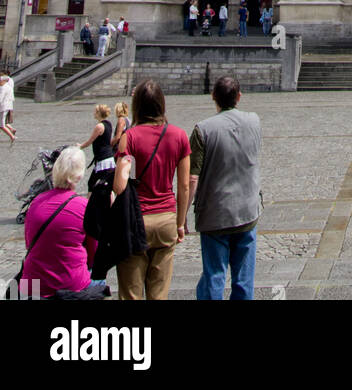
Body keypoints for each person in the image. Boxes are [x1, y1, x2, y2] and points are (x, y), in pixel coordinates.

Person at [113, 79, 190, 301]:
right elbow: (184, 186)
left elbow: (120, 186)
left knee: (131, 294)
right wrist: (180, 223)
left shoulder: (131, 137)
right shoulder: (179, 135)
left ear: (137, 106)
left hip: (136, 221)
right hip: (166, 219)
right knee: (159, 294)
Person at [187, 75, 261, 302]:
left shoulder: (202, 130)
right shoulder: (254, 120)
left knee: (214, 275)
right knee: (244, 280)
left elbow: (191, 178)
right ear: (239, 97)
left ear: (213, 97)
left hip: (215, 215)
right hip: (248, 211)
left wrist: (182, 216)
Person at [21, 146, 107, 301]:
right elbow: (93, 253)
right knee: (100, 280)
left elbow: (29, 243)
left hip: (34, 284)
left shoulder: (35, 202)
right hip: (71, 284)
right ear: (80, 176)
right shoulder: (84, 206)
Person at [79, 104, 115, 190]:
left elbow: (89, 141)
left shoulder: (99, 126)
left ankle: (89, 203)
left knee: (91, 184)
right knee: (106, 185)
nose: (94, 113)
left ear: (99, 113)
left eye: (95, 111)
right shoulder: (108, 124)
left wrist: (80, 146)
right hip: (108, 158)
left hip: (103, 160)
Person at [0, 71, 15, 142]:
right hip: (7, 106)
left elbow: (0, 98)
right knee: (3, 123)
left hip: (3, 107)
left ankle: (12, 136)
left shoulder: (3, 88)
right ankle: (12, 131)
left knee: (2, 125)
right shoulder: (8, 87)